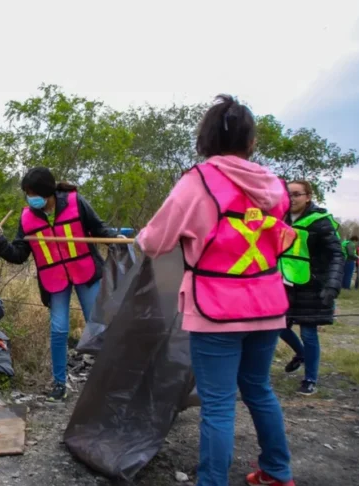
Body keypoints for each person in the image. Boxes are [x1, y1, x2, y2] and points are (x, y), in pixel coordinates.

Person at [137, 95, 296, 486]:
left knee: (219, 406)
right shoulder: (275, 186)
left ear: (205, 138)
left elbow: (153, 243)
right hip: (268, 307)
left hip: (216, 310)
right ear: (250, 141)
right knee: (259, 389)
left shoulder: (198, 182)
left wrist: (140, 237)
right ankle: (278, 471)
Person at [0, 167, 115, 402]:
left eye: (32, 192)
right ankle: (59, 383)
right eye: (26, 193)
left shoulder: (75, 202)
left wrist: (116, 240)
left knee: (97, 326)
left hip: (85, 272)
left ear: (47, 193)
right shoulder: (27, 218)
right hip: (54, 279)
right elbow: (18, 254)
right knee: (58, 330)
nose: (29, 198)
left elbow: (99, 229)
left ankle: (111, 379)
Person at [279, 180, 344, 395]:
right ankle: (301, 353)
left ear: (308, 196)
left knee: (308, 333)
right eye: (288, 194)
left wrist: (333, 285)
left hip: (312, 286)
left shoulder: (321, 222)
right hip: (284, 285)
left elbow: (337, 254)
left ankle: (310, 378)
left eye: (297, 194)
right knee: (277, 326)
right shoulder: (280, 219)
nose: (292, 198)